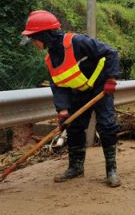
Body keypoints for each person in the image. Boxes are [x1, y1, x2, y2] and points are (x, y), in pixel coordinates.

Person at [21, 10, 122, 187]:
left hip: (100, 87)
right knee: (74, 126)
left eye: (33, 38)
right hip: (79, 91)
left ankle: (111, 171)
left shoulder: (76, 42)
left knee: (106, 125)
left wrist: (111, 79)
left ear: (44, 35)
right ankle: (75, 168)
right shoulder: (50, 59)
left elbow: (111, 52)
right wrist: (63, 110)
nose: (33, 42)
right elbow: (58, 86)